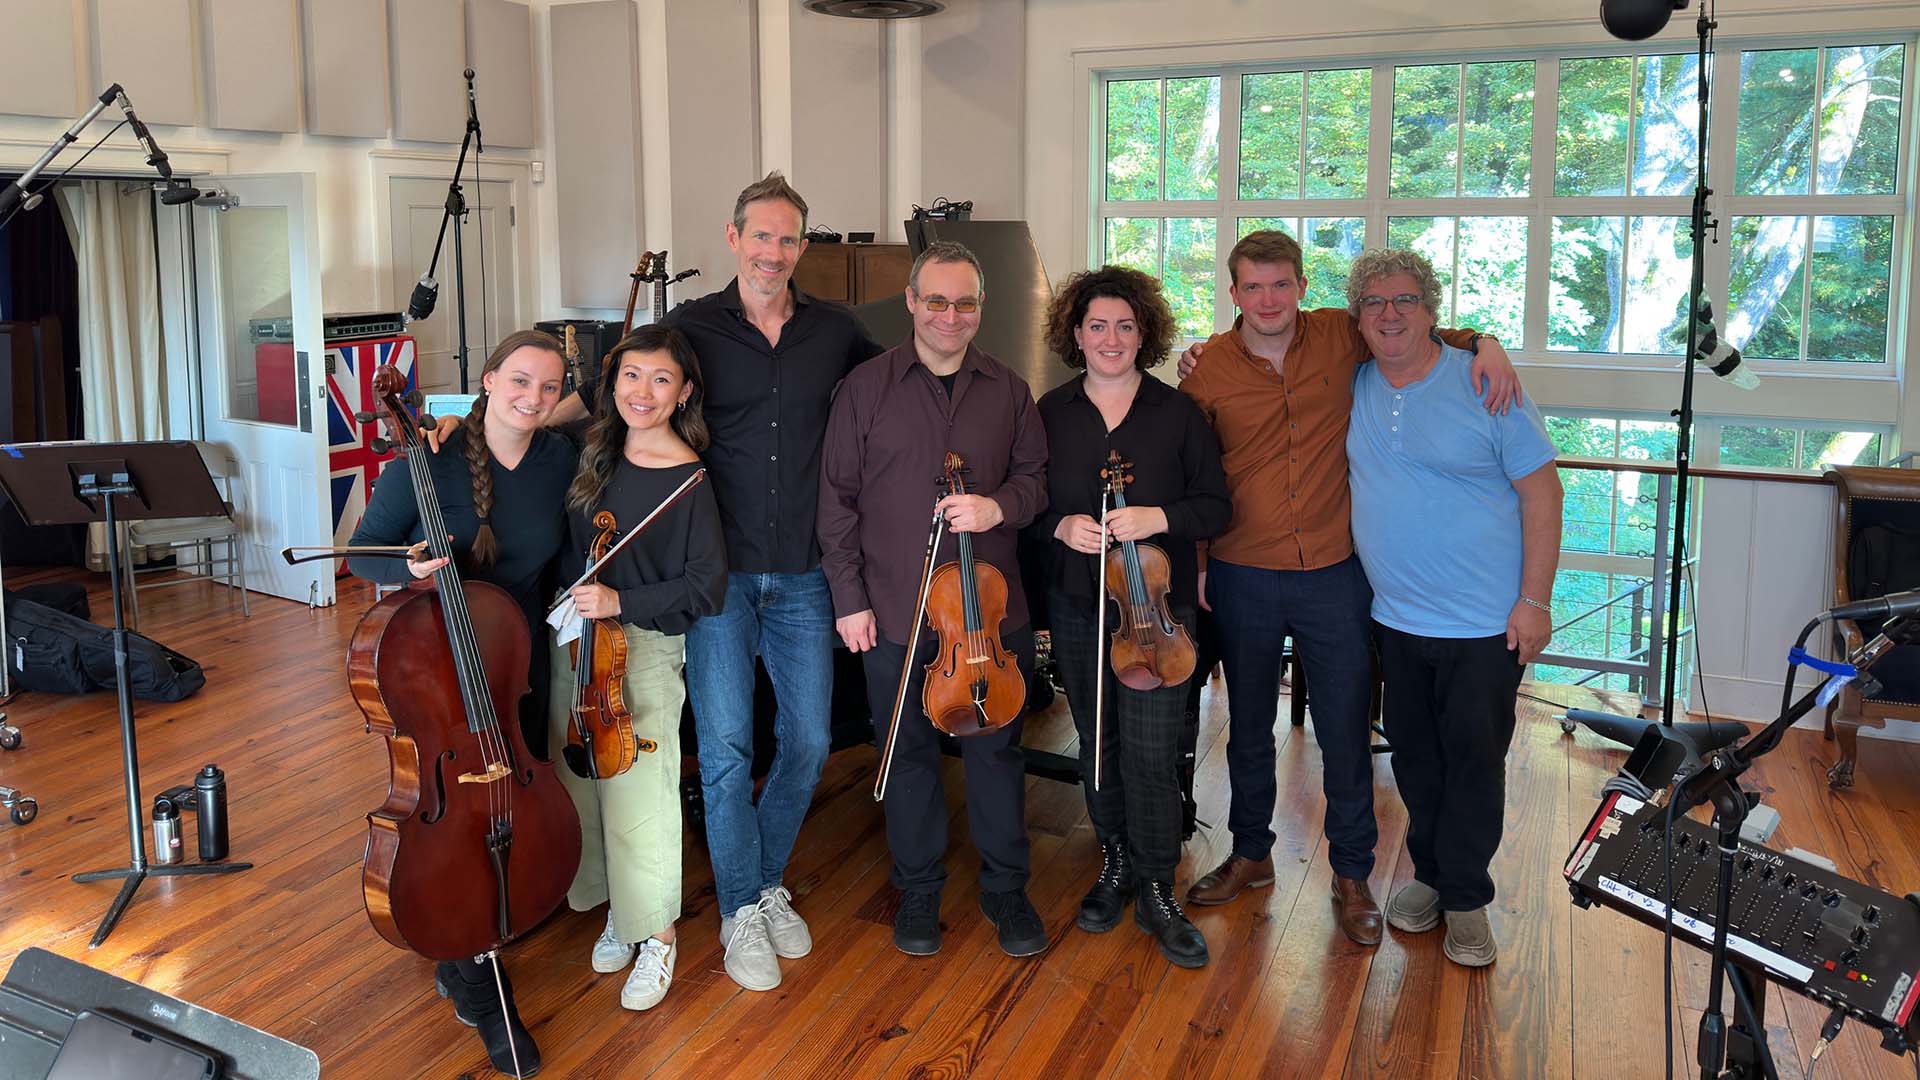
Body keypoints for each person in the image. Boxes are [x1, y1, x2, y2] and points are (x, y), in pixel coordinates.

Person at [448, 172, 883, 992]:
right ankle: (737, 913)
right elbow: (603, 393)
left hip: (803, 574)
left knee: (811, 743)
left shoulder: (836, 330)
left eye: (789, 239)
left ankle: (755, 885)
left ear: (802, 247)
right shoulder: (688, 326)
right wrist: (476, 423)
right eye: (760, 235)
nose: (773, 252)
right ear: (732, 237)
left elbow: (890, 396)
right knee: (721, 753)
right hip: (718, 579)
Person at [1174, 229, 1520, 948]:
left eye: (1281, 284)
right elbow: (1195, 472)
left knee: (1343, 732)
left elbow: (1414, 328)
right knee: (1245, 731)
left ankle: (1353, 872)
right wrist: (1202, 561)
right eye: (1253, 287)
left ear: (1302, 287)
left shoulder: (1342, 335)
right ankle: (1250, 854)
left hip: (1336, 571)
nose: (1268, 299)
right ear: (1234, 294)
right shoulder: (1206, 371)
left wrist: (1486, 339)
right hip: (1243, 570)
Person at [349, 328, 577, 1078]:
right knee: (447, 816)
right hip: (435, 669)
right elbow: (362, 553)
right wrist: (405, 561)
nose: (533, 399)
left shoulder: (557, 459)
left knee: (508, 801)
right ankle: (479, 980)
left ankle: (478, 937)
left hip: (513, 660)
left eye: (549, 387)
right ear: (485, 379)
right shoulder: (428, 456)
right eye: (519, 382)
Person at [818, 240, 1050, 959]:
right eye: (938, 300)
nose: (951, 316)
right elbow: (837, 501)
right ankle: (917, 886)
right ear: (913, 303)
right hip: (892, 607)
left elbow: (1036, 482)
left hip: (985, 614)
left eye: (967, 302)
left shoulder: (1009, 389)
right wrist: (850, 599)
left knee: (994, 754)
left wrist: (997, 507)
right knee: (908, 751)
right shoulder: (866, 388)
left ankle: (1006, 888)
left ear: (982, 308)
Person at [1342, 249, 1562, 967]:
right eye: (1374, 303)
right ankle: (1433, 875)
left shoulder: (1484, 385)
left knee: (1473, 762)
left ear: (1433, 310)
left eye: (1405, 300)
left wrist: (1534, 601)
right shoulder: (1358, 382)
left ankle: (1466, 898)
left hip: (1484, 624)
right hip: (1396, 620)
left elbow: (1542, 493)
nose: (1390, 315)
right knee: (1416, 760)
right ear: (1358, 317)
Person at [1034, 266, 1230, 968]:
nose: (1111, 338)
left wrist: (1161, 515)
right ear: (1076, 335)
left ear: (1143, 333)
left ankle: (1157, 883)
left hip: (1156, 617)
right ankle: (1114, 861)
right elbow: (1027, 505)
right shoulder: (1049, 413)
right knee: (1099, 744)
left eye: (1124, 325)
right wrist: (1061, 527)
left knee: (1151, 752)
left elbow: (1216, 507)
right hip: (1081, 607)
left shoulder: (1177, 414)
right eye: (1097, 326)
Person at [549, 324, 727, 1009]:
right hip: (577, 640)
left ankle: (656, 934)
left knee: (641, 789)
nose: (642, 392)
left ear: (684, 391)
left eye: (660, 379)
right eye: (630, 376)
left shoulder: (689, 479)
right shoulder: (594, 447)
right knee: (582, 776)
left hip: (643, 647)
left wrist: (623, 597)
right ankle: (613, 909)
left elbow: (707, 586)